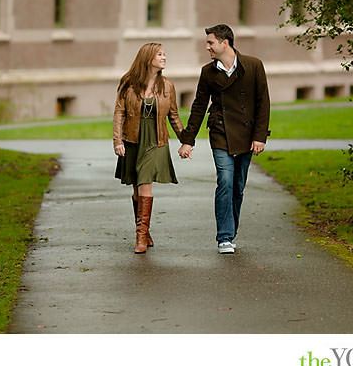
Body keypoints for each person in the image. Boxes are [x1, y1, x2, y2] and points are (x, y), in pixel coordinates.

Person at [178, 24, 270, 254]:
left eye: (210, 42)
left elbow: (263, 103)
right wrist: (188, 140)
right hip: (220, 132)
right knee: (226, 181)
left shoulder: (254, 65)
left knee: (238, 186)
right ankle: (225, 237)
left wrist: (260, 136)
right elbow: (199, 106)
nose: (207, 47)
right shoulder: (208, 72)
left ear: (224, 42)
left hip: (248, 135)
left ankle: (231, 231)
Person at [113, 42, 184, 254]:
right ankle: (144, 228)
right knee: (136, 188)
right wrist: (117, 141)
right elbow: (120, 113)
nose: (164, 57)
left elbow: (173, 116)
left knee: (145, 182)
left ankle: (140, 237)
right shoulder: (128, 83)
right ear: (147, 58)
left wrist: (186, 140)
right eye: (159, 54)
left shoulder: (168, 86)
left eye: (164, 54)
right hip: (133, 139)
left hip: (156, 141)